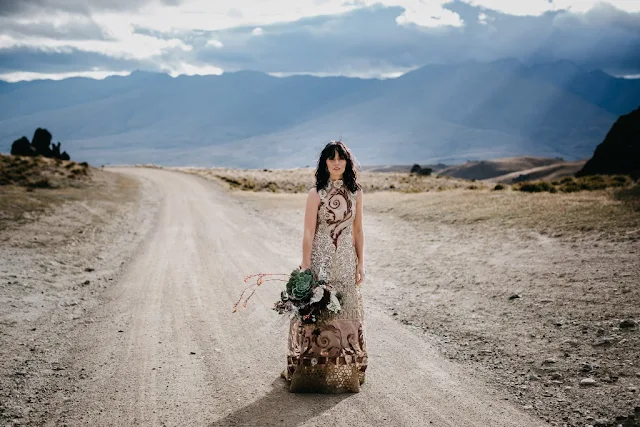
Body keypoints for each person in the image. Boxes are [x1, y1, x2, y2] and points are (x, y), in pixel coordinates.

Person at [282, 140, 368, 393]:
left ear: (347, 162)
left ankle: (342, 370)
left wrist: (361, 263)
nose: (336, 162)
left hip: (345, 260)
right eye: (331, 158)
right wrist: (307, 265)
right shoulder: (316, 193)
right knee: (318, 311)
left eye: (341, 158)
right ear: (325, 163)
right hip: (321, 259)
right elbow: (309, 231)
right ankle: (312, 372)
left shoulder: (356, 192)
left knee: (345, 312)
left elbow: (358, 230)